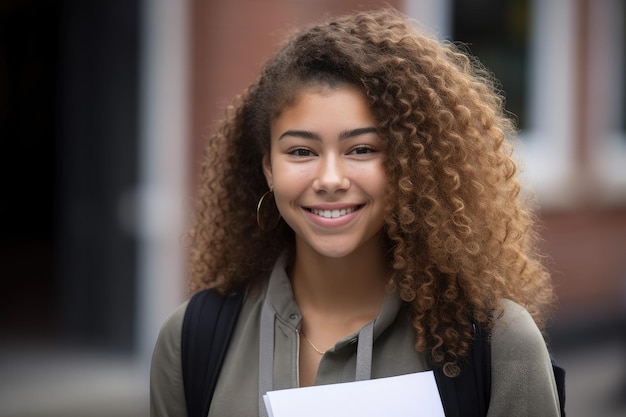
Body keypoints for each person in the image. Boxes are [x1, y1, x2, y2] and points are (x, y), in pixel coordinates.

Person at [150, 8, 561, 417]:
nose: (330, 179)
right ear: (268, 169)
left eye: (362, 149)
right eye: (301, 151)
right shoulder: (191, 340)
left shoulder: (496, 343)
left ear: (407, 163)